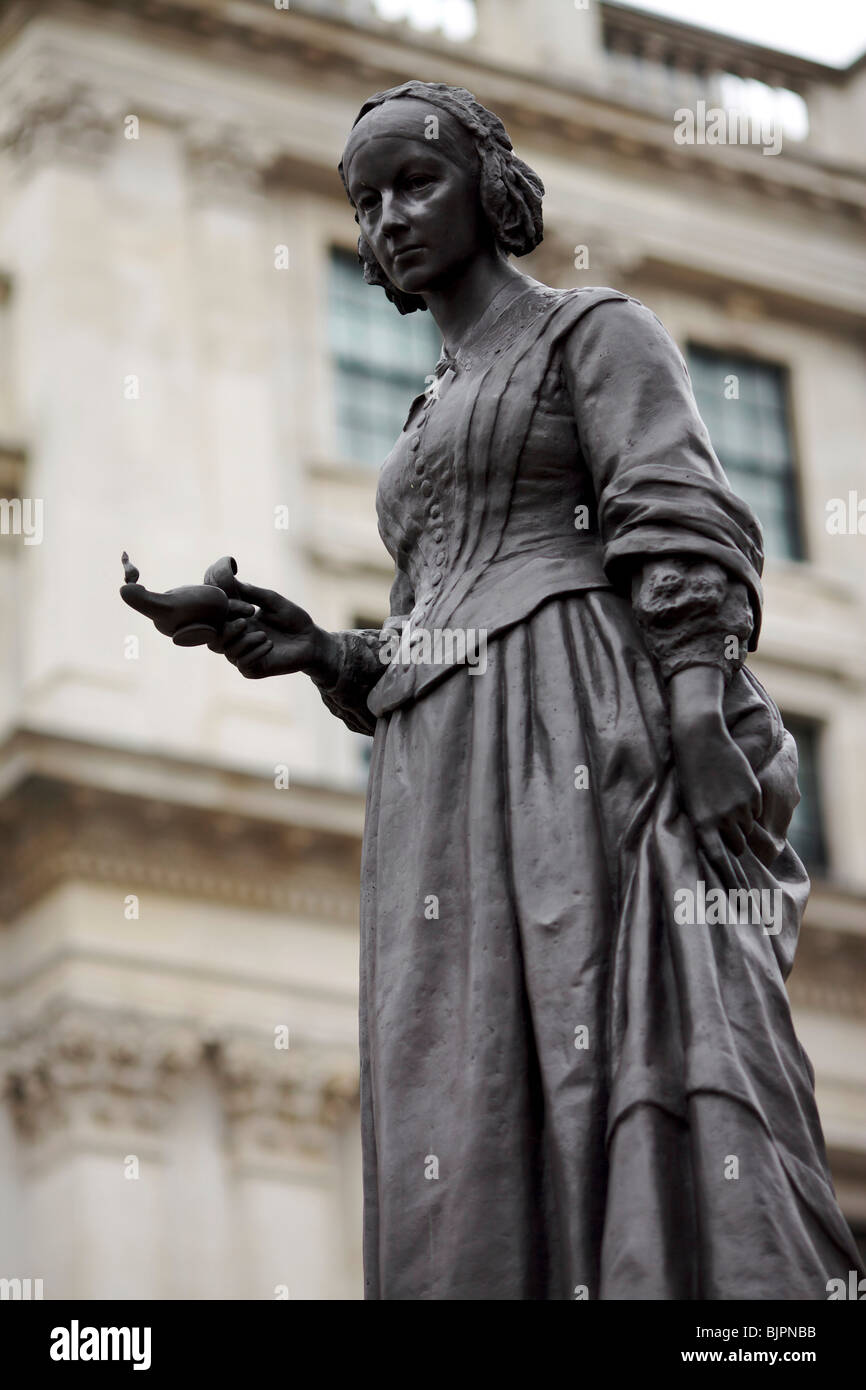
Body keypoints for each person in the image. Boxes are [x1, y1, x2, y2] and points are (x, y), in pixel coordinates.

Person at [211, 81, 862, 1300]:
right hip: (436, 759)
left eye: (415, 181)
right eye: (366, 202)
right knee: (459, 1058)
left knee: (600, 1007)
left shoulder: (594, 330)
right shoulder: (421, 420)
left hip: (576, 716)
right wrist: (325, 651)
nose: (390, 217)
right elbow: (431, 617)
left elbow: (674, 518)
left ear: (486, 190)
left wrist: (693, 708)